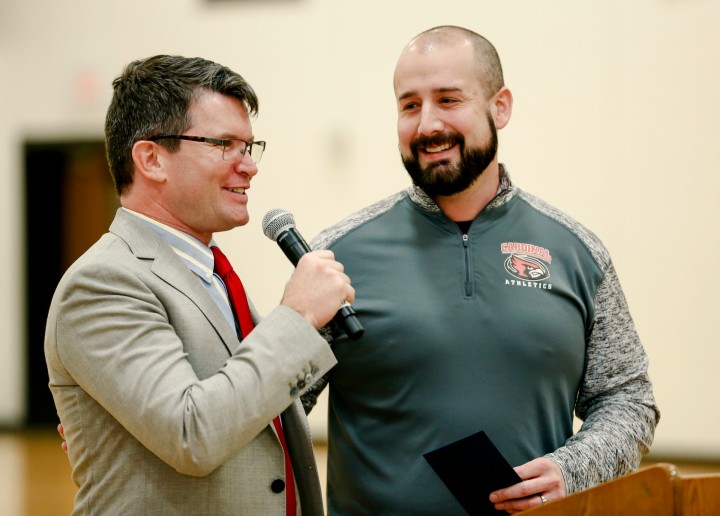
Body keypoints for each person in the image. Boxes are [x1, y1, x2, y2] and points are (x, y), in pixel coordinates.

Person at [302, 25, 660, 514]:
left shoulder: (578, 251)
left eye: (448, 99)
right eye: (410, 105)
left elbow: (627, 398)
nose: (427, 124)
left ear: (500, 106)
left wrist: (572, 470)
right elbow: (273, 409)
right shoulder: (334, 256)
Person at [44, 55, 354, 515]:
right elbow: (192, 435)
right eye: (224, 144)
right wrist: (297, 316)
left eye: (249, 146)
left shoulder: (208, 272)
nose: (249, 167)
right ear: (151, 159)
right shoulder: (103, 282)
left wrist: (324, 329)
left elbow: (252, 409)